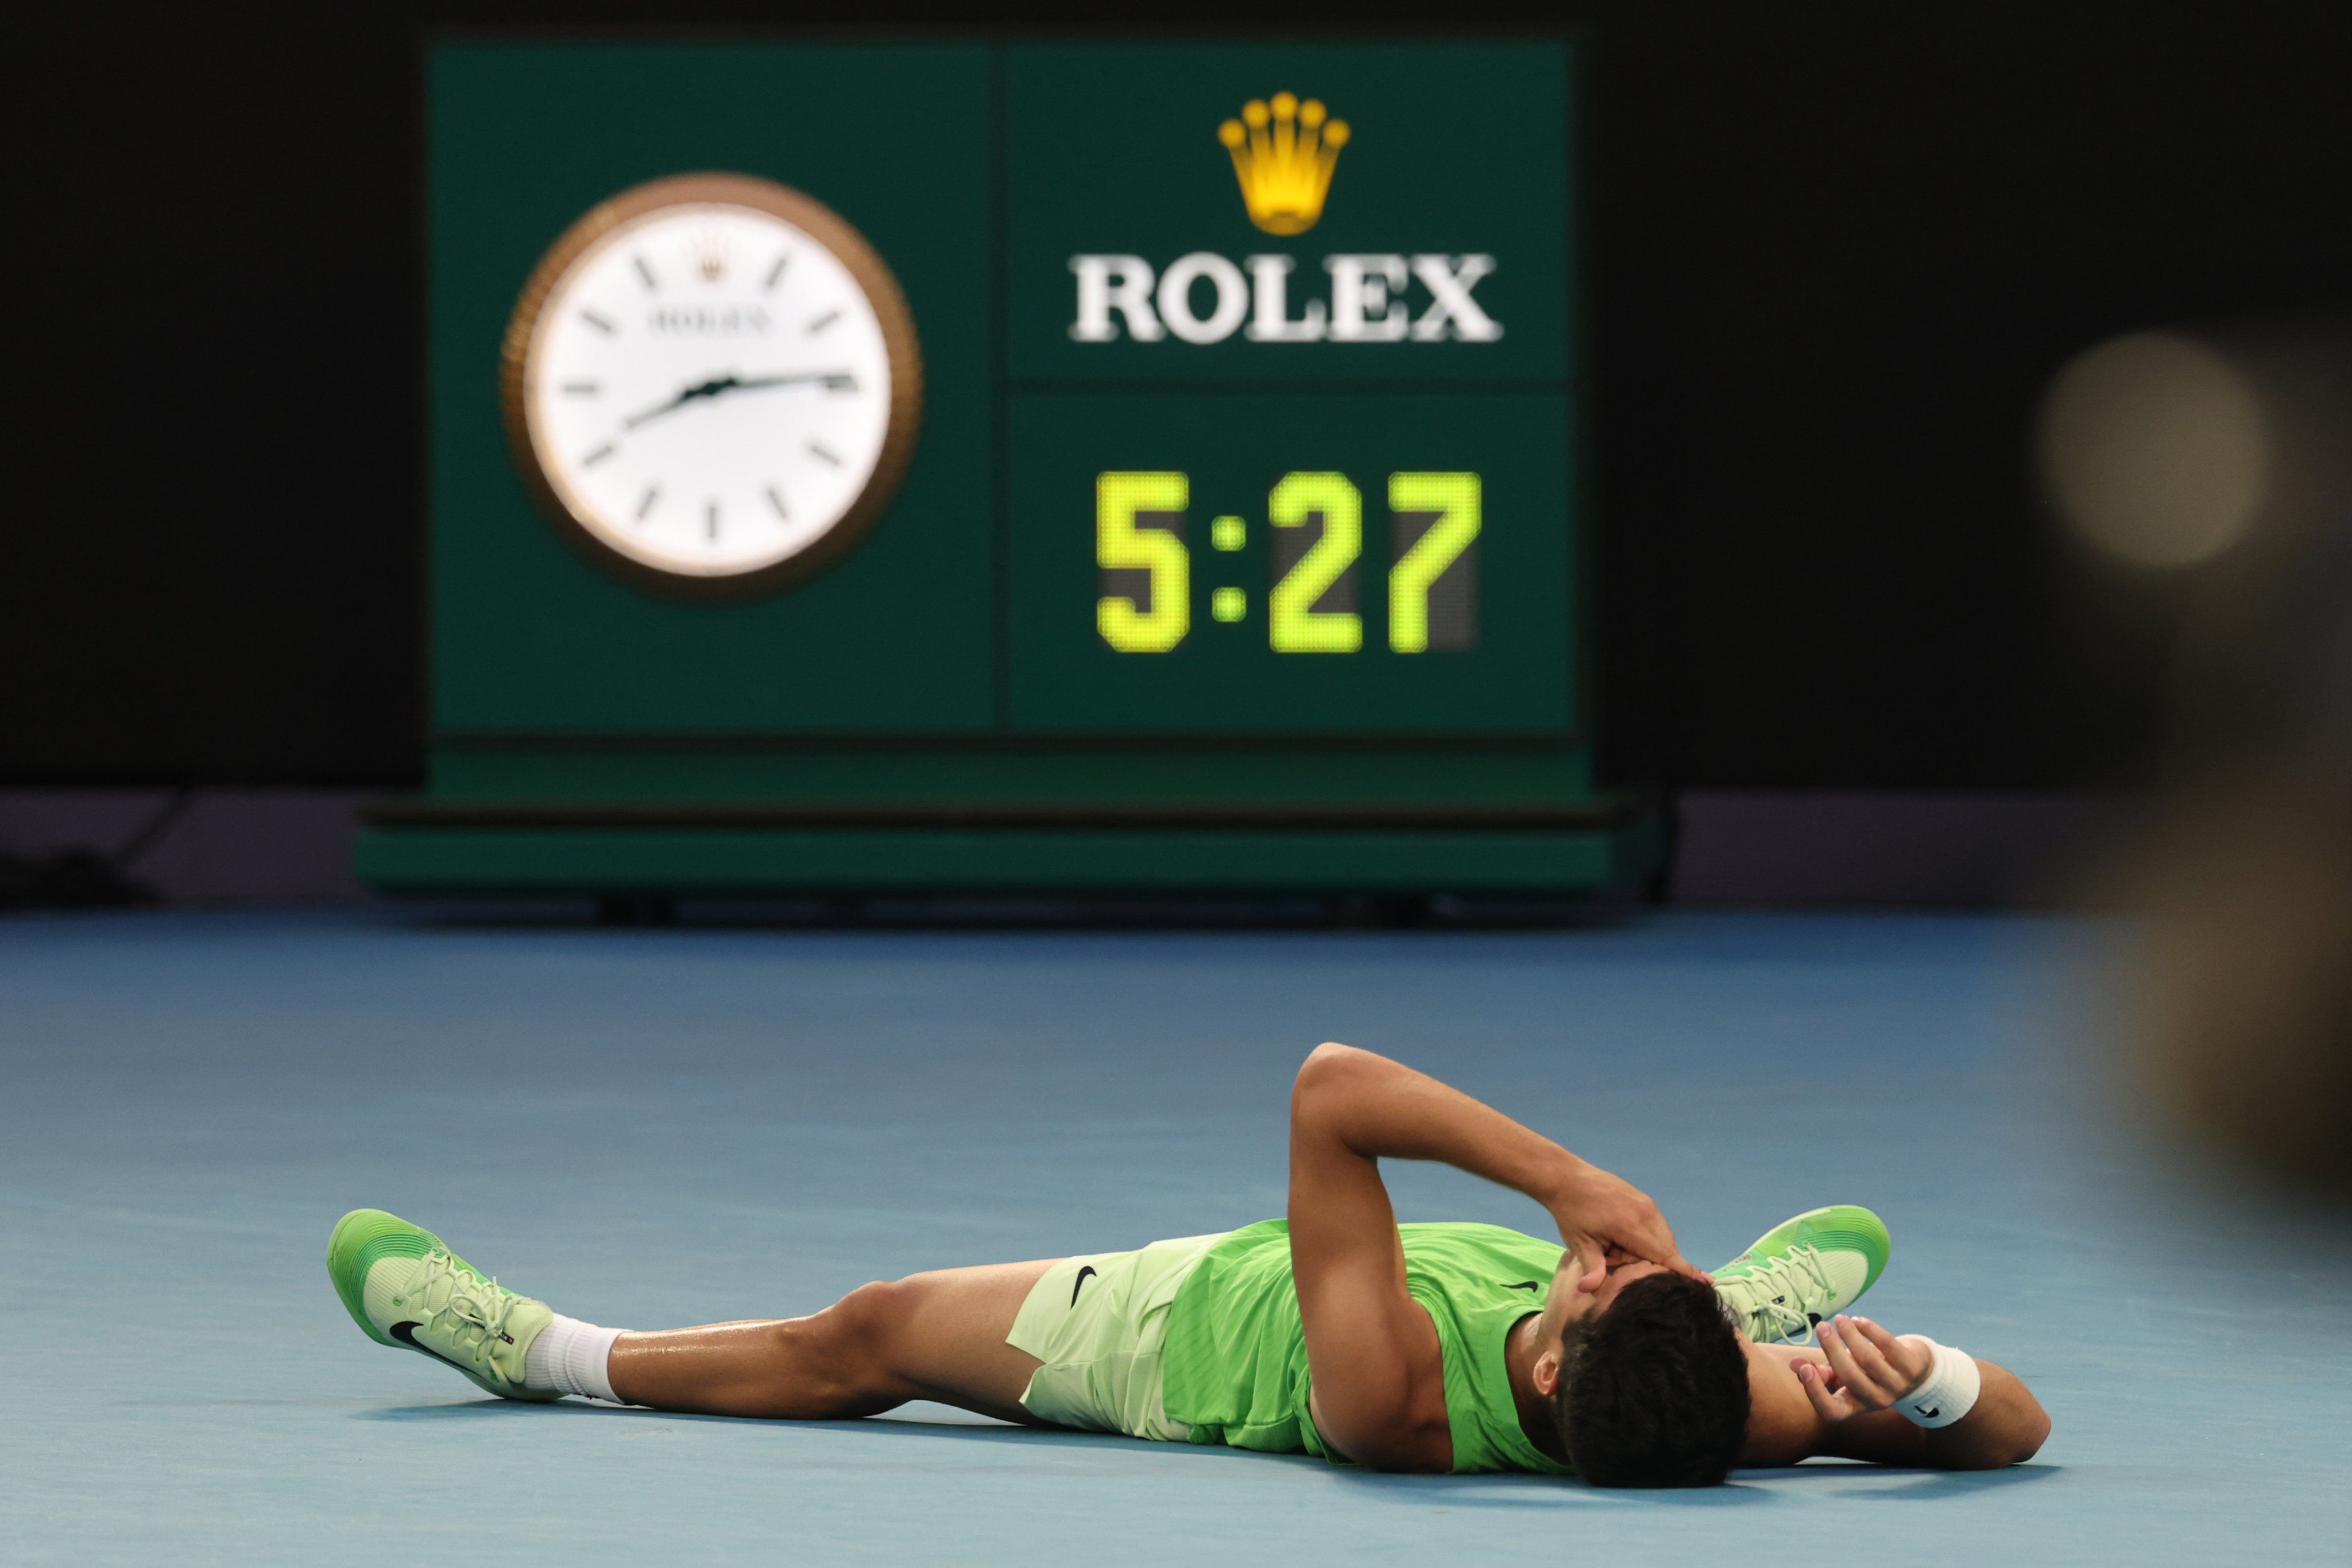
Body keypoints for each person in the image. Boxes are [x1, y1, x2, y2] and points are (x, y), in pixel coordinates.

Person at [328, 1043, 2049, 1486]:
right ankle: (1758, 1281)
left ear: (1542, 1362)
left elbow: (1331, 1092)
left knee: (868, 1332)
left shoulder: (1389, 1399)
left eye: (1598, 1277)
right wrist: (1939, 1385)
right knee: (1761, 1324)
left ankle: (536, 1347)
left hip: (1173, 1334)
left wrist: (1568, 1174)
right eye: (1622, 1257)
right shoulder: (1723, 1418)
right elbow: (2019, 1431)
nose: (1590, 1257)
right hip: (1690, 1350)